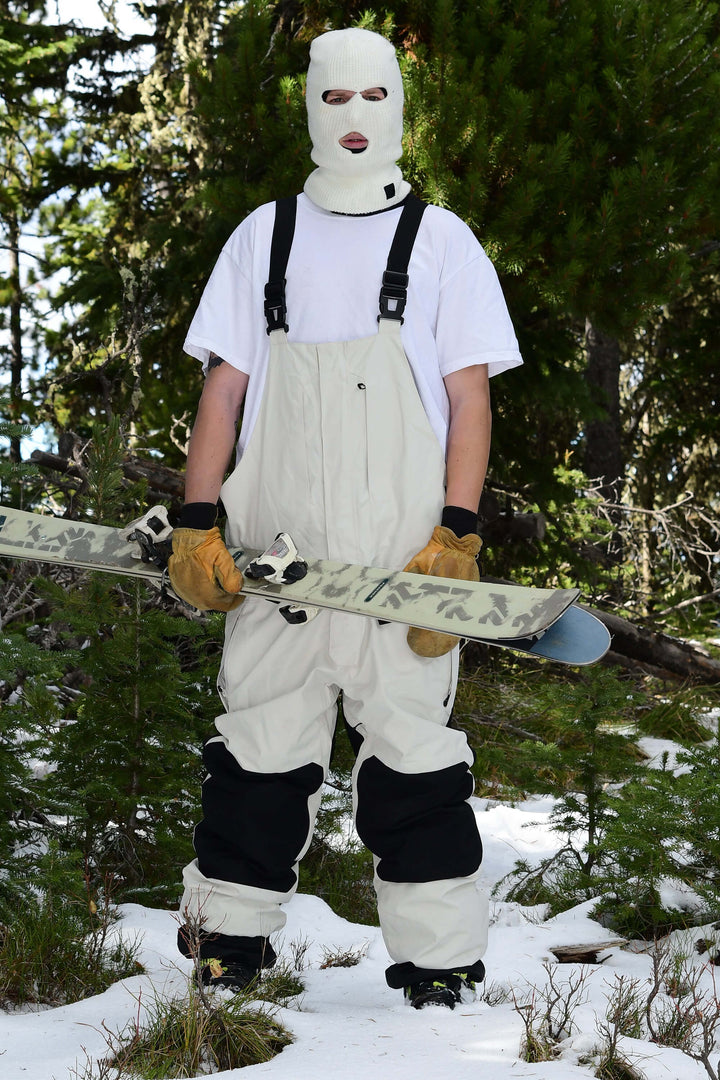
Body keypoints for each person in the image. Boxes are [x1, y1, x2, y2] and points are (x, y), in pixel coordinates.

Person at [168, 26, 523, 1010]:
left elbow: (469, 400)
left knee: (414, 764)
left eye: (374, 97)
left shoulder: (442, 242)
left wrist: (456, 534)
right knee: (256, 757)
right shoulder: (264, 236)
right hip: (273, 570)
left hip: (402, 564)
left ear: (398, 104)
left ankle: (439, 962)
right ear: (311, 107)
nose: (355, 119)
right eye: (334, 99)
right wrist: (197, 520)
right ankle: (228, 947)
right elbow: (225, 389)